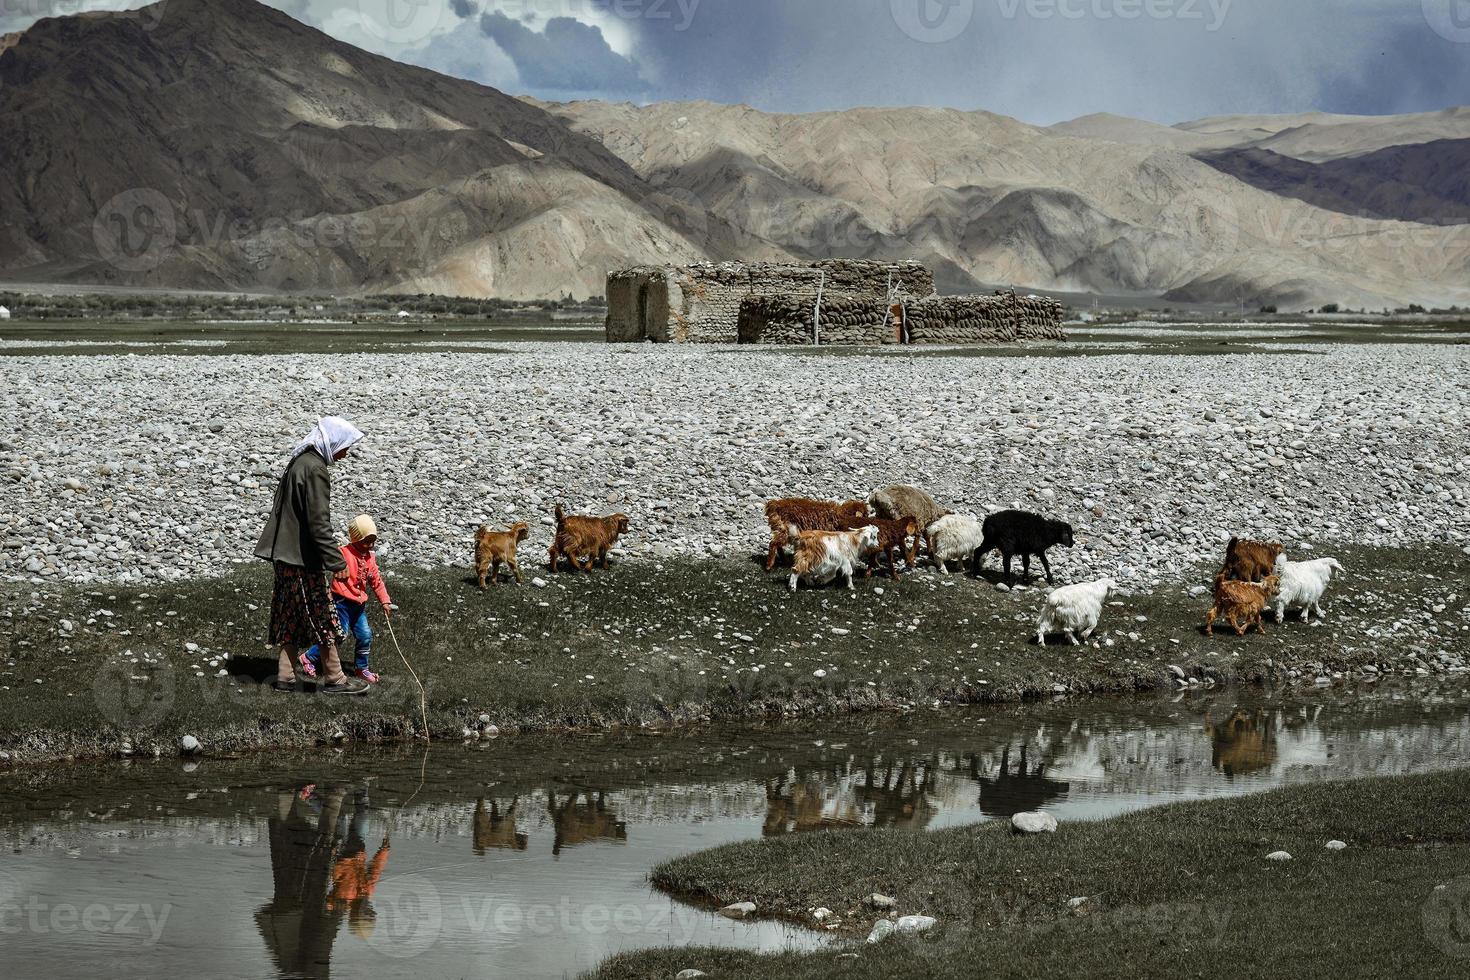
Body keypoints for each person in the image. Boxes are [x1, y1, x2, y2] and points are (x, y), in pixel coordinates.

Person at [255, 417, 370, 696]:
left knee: (290, 615)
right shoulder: (316, 468)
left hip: (284, 555)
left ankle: (285, 676)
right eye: (344, 447)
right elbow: (319, 523)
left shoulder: (299, 461)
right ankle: (335, 678)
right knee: (322, 615)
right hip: (301, 558)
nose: (344, 454)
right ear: (333, 442)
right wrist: (337, 562)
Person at [300, 515, 394, 684]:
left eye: (373, 541)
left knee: (365, 635)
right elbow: (325, 557)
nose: (370, 545)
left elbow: (376, 581)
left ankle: (361, 668)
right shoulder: (343, 553)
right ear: (355, 538)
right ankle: (309, 657)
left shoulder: (370, 558)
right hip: (341, 603)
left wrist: (384, 600)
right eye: (366, 541)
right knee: (338, 635)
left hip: (358, 606)